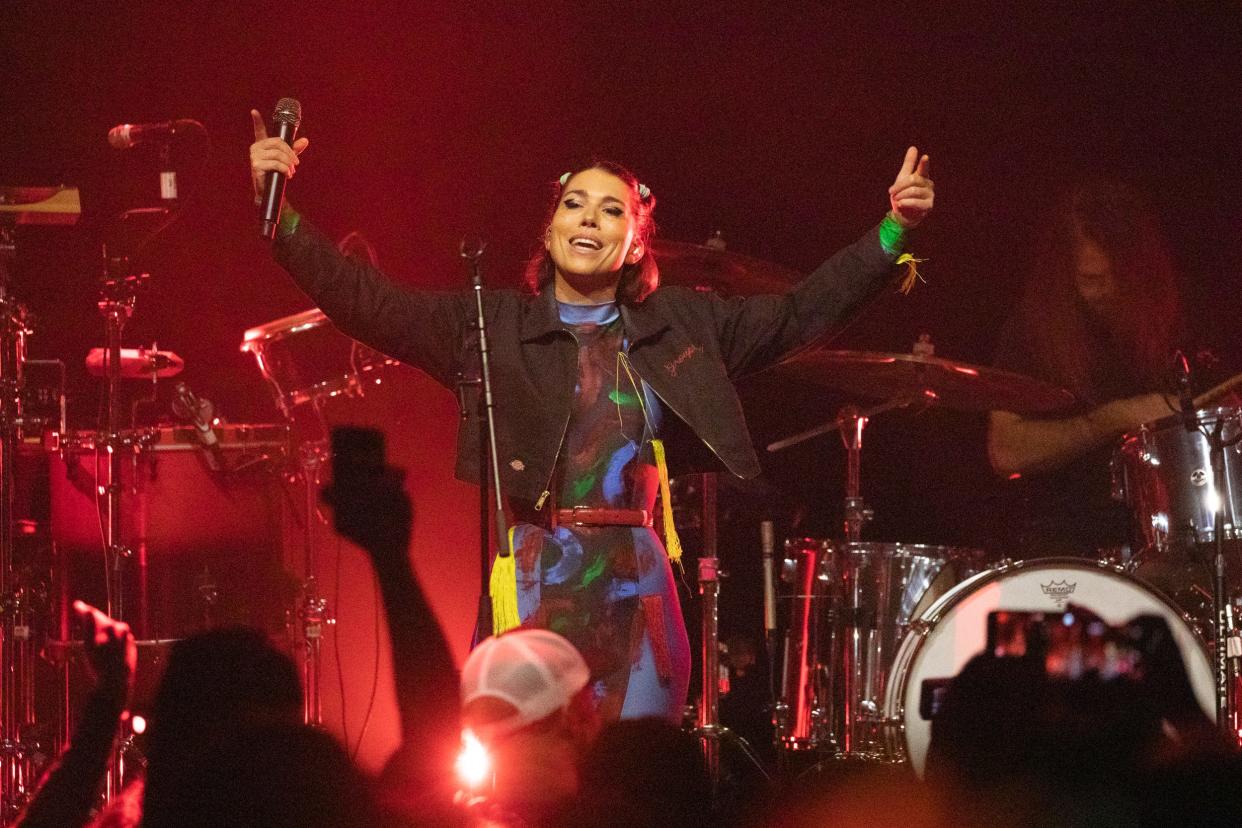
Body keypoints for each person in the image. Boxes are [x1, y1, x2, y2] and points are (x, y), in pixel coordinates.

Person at [248, 108, 935, 725]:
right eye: (574, 204)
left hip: (636, 591)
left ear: (636, 243)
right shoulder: (489, 325)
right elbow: (371, 303)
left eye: (611, 211)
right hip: (533, 581)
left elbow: (796, 314)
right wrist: (281, 219)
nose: (588, 219)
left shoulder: (680, 326)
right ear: (548, 231)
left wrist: (891, 232)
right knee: (527, 789)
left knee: (630, 790)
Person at [987, 179, 1189, 557]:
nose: (1107, 291)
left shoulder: (1180, 322)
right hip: (1066, 548)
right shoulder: (1033, 330)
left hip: (1177, 544)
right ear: (1064, 273)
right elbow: (1006, 451)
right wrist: (1110, 420)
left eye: (1119, 278)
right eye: (1091, 280)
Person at [457, 628, 599, 823]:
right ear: (572, 718)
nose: (598, 716)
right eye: (590, 698)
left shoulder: (463, 817)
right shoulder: (624, 811)